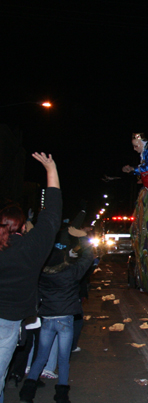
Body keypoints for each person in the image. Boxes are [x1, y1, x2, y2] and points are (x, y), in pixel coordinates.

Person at [0, 153, 62, 403]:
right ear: (23, 227)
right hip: (8, 322)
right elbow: (52, 215)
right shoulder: (31, 248)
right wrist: (51, 169)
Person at [20, 227, 94, 403]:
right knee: (63, 359)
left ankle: (27, 392)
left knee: (41, 357)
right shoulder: (71, 273)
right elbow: (88, 258)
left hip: (47, 319)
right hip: (65, 320)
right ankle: (61, 395)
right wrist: (84, 238)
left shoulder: (41, 275)